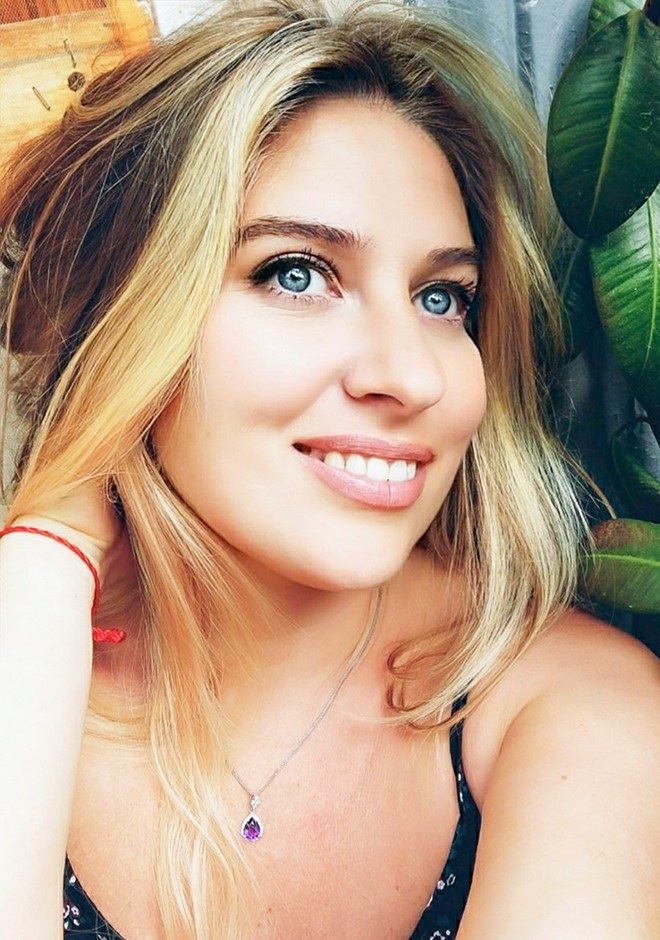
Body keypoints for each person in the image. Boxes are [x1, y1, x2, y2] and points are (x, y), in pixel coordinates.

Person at [0, 0, 658, 936]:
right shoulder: (25, 646)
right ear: (123, 313)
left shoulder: (572, 707)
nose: (412, 376)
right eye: (297, 274)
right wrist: (41, 560)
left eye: (443, 297)